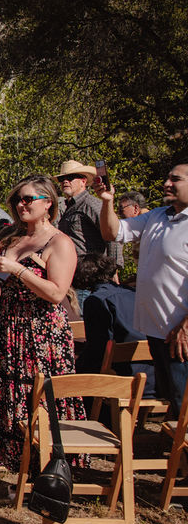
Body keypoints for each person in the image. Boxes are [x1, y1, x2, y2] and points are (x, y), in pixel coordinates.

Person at [0, 174, 86, 475]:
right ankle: (22, 463)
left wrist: (16, 269)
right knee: (14, 391)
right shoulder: (14, 236)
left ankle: (53, 467)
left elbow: (56, 292)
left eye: (28, 199)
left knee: (41, 395)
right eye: (17, 199)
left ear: (48, 203)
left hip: (42, 331)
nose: (21, 204)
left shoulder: (59, 241)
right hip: (12, 326)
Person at [97, 161, 188, 415]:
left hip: (181, 334)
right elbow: (112, 232)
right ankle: (173, 453)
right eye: (167, 178)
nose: (167, 183)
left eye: (176, 179)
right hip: (157, 329)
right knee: (172, 400)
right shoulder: (157, 215)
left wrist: (186, 326)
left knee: (184, 406)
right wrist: (107, 201)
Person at [73, 253, 153, 396]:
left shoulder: (96, 301)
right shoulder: (133, 293)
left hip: (122, 380)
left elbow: (98, 348)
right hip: (152, 376)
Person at [56, 160, 122, 303]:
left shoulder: (91, 204)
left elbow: (113, 234)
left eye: (70, 178)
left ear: (83, 181)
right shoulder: (67, 207)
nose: (65, 181)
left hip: (91, 279)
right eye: (62, 179)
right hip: (74, 278)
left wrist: (114, 270)